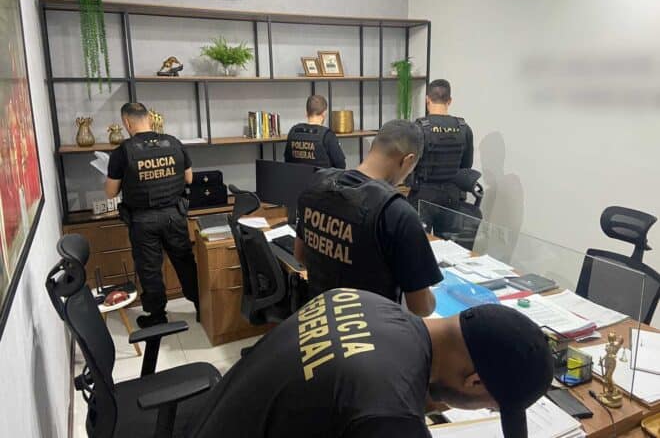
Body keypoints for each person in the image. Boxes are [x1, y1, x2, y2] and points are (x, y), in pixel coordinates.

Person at [190, 289, 554, 438]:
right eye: (491, 406)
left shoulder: (361, 299)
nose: (484, 409)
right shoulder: (389, 412)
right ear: (475, 382)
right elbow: (380, 411)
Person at [294, 120, 441, 317]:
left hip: (318, 319)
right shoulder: (397, 212)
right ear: (408, 160)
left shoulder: (316, 183)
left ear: (374, 147)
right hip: (369, 329)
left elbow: (300, 255)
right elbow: (421, 308)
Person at [105, 102, 199, 328]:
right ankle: (202, 306)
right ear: (149, 118)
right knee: (185, 263)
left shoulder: (122, 152)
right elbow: (189, 179)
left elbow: (111, 192)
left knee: (150, 270)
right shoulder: (174, 143)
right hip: (174, 216)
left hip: (143, 221)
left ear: (126, 122)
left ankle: (157, 316)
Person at [408, 79, 474, 211]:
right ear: (449, 101)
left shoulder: (418, 128)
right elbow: (467, 165)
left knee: (417, 226)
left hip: (423, 195)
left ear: (427, 99)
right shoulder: (464, 128)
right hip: (453, 196)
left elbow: (408, 164)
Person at [284, 94, 346, 168]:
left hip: (296, 175)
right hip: (322, 176)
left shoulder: (293, 131)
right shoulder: (327, 135)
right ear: (324, 113)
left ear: (306, 112)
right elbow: (341, 165)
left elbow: (287, 161)